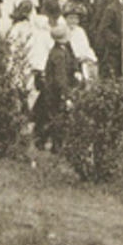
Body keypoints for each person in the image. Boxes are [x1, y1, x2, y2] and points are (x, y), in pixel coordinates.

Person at [36, 20, 81, 151]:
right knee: (55, 119)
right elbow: (60, 79)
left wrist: (76, 71)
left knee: (54, 118)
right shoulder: (58, 55)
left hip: (55, 91)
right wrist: (66, 95)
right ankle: (54, 145)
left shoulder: (63, 50)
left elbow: (72, 62)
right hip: (54, 92)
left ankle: (50, 143)